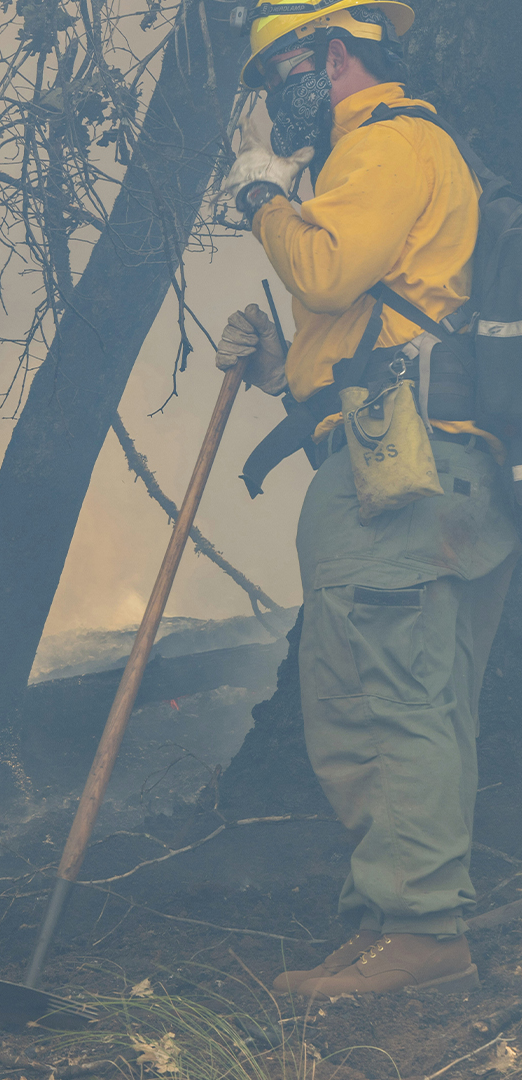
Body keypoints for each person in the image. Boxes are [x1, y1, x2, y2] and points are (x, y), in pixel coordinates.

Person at [218, 0, 519, 998]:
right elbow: (366, 328)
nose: (272, 101)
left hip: (405, 475)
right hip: (407, 457)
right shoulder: (382, 155)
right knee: (383, 708)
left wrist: (262, 191)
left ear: (334, 54)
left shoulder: (386, 145)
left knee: (392, 707)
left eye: (279, 75)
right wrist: (278, 365)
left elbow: (326, 263)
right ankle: (393, 926)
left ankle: (424, 934)